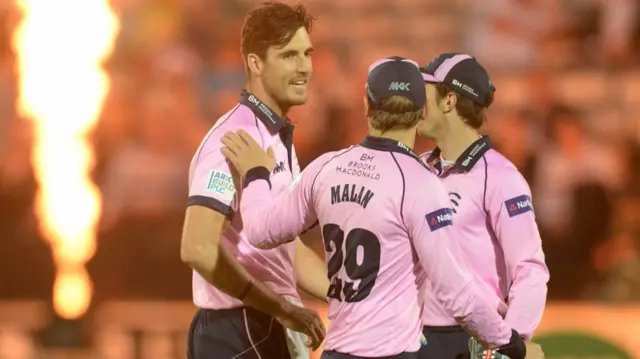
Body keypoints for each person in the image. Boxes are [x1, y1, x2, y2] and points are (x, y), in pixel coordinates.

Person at [220, 57, 527, 359]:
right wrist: (508, 340)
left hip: (337, 352)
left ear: (367, 104)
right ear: (422, 113)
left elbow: (260, 232)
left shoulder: (327, 167)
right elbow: (456, 293)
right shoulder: (421, 183)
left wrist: (257, 174)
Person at [180, 2, 328, 359]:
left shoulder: (275, 139)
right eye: (289, 55)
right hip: (237, 328)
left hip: (263, 323)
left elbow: (287, 251)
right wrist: (278, 306)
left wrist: (354, 297)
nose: (304, 67)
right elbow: (197, 247)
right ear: (255, 63)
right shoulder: (233, 139)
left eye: (307, 53)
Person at [416, 53, 550, 359]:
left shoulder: (501, 177)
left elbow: (529, 269)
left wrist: (509, 344)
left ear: (449, 100)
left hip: (468, 342)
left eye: (425, 92)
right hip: (411, 336)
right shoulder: (415, 168)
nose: (415, 102)